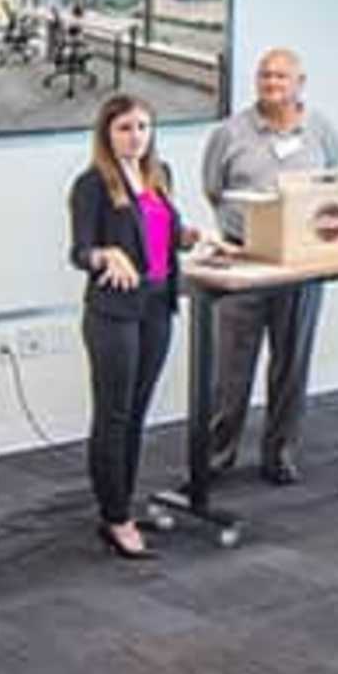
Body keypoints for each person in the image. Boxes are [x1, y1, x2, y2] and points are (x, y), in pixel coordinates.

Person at [67, 91, 216, 560]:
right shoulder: (92, 184)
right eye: (125, 128)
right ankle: (114, 517)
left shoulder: (159, 176)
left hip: (157, 305)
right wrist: (104, 254)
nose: (135, 137)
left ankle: (123, 504)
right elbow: (80, 251)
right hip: (113, 312)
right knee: (113, 414)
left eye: (143, 128)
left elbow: (165, 235)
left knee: (137, 413)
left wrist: (189, 236)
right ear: (107, 134)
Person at [197, 46, 338, 486]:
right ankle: (217, 456)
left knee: (292, 364)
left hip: (301, 264)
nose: (271, 84)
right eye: (265, 76)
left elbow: (332, 181)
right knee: (230, 369)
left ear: (301, 83)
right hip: (244, 261)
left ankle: (280, 453)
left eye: (282, 77)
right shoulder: (230, 133)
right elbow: (213, 188)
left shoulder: (320, 129)